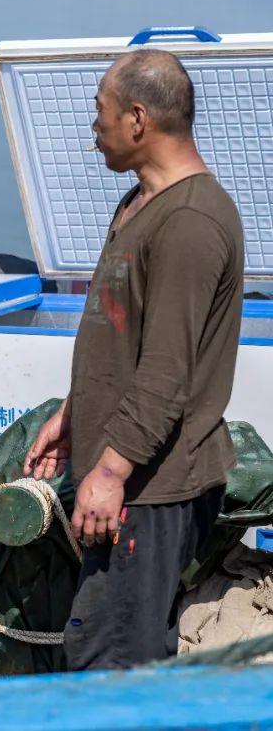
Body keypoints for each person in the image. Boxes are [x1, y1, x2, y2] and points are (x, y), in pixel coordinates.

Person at [23, 49, 244, 670]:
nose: (94, 128)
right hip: (126, 469)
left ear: (138, 119)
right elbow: (124, 335)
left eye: (102, 112)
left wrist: (112, 471)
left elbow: (168, 373)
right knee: (117, 638)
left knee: (111, 652)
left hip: (154, 485)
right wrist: (74, 413)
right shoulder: (137, 204)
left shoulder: (191, 221)